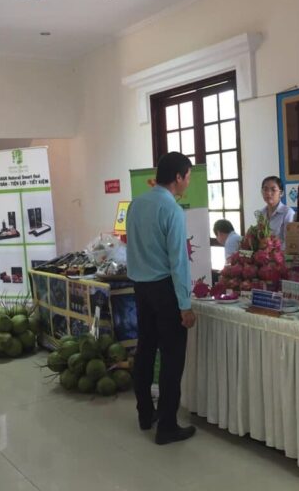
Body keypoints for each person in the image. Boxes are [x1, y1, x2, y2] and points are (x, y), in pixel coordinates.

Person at [126, 151, 196, 445]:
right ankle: (167, 425)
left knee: (145, 349)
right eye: (188, 177)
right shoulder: (172, 210)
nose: (188, 182)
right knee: (171, 358)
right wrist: (185, 305)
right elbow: (178, 262)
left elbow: (131, 248)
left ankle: (145, 413)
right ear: (178, 177)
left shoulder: (136, 204)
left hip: (141, 288)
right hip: (165, 290)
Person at [257, 176, 295, 243]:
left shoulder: (288, 213)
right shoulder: (261, 213)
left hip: (281, 249)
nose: (268, 193)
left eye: (273, 190)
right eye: (265, 189)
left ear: (281, 193)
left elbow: (289, 241)